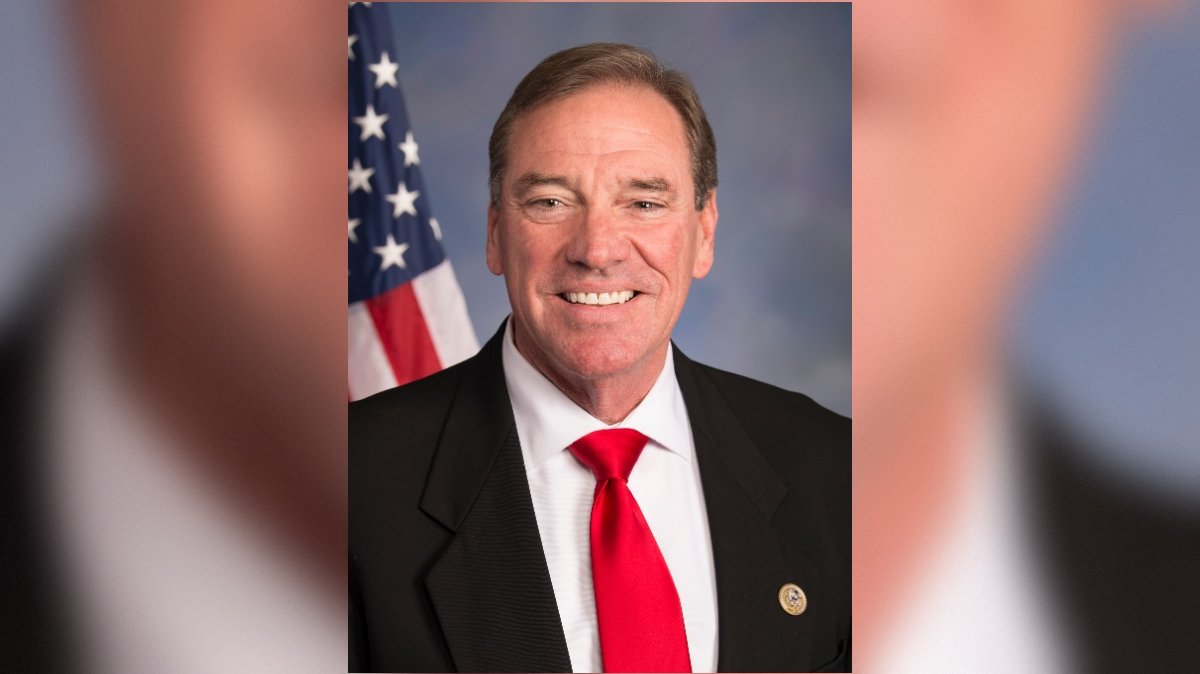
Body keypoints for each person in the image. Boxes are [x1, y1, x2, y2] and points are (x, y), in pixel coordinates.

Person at [349, 43, 850, 673]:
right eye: (550, 202)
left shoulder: (834, 470)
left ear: (705, 232)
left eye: (644, 202)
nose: (597, 249)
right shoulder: (349, 488)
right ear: (495, 233)